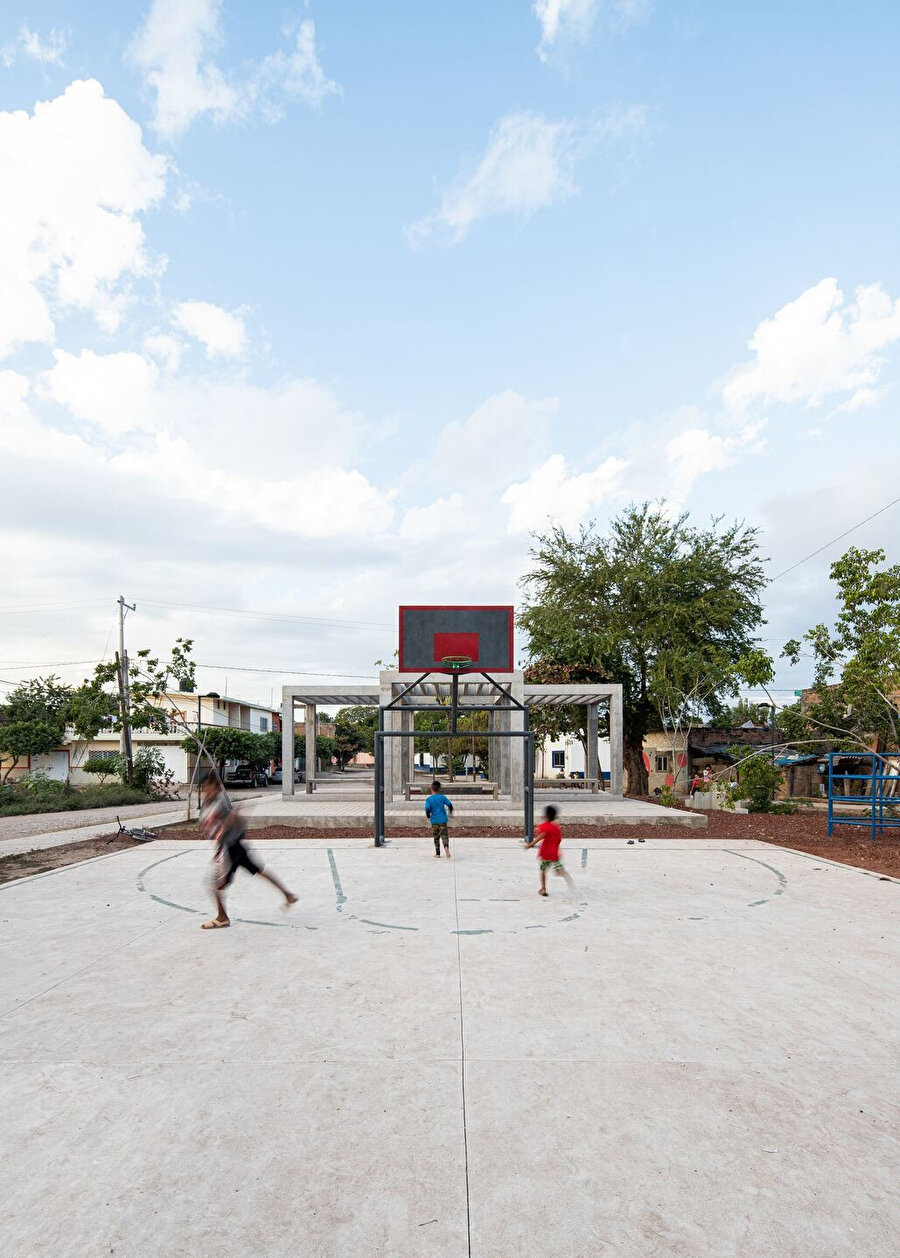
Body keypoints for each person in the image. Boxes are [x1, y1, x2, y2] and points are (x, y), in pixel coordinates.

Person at [199, 772, 297, 929]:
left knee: (214, 884)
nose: (206, 791)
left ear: (216, 788)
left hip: (229, 849)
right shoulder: (208, 805)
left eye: (209, 788)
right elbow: (213, 825)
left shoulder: (219, 804)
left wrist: (230, 822)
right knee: (260, 870)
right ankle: (287, 894)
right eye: (204, 788)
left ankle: (222, 917)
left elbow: (234, 823)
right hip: (234, 847)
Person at [524, 804, 575, 896]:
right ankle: (562, 873)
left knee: (543, 870)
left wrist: (530, 844)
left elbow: (540, 836)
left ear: (546, 816)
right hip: (554, 853)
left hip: (545, 853)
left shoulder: (545, 827)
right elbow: (559, 840)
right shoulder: (556, 828)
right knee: (558, 867)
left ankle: (543, 888)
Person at [424, 779, 454, 859]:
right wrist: (450, 812)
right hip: (443, 820)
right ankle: (446, 847)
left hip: (434, 820)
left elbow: (427, 808)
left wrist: (428, 815)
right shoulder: (442, 797)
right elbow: (450, 805)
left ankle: (437, 853)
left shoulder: (429, 799)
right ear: (439, 789)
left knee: (436, 837)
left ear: (431, 789)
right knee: (444, 835)